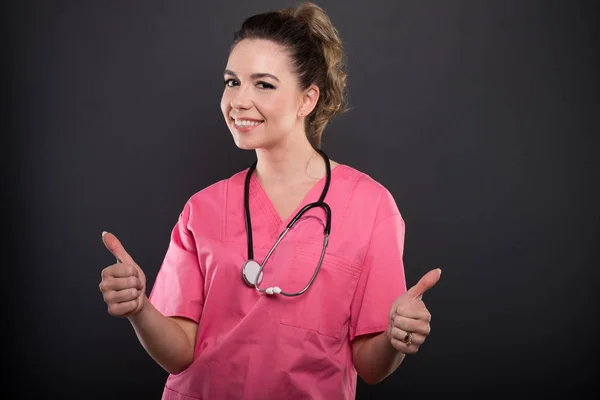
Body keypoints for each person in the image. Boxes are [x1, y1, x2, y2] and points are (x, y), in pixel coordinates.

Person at [99, 2, 441, 399]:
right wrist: (140, 308)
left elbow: (370, 365)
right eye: (231, 82)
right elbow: (180, 354)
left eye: (263, 84)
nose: (239, 101)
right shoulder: (203, 209)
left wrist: (396, 338)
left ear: (306, 100)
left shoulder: (370, 206)